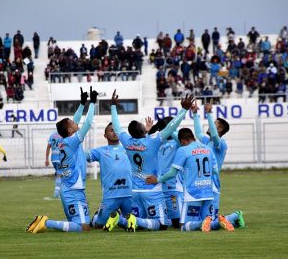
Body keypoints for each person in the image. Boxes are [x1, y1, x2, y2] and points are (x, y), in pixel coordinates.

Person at [110, 90, 194, 232]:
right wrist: (184, 110)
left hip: (135, 190)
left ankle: (121, 220)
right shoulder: (152, 142)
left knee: (141, 226)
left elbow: (117, 127)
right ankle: (130, 220)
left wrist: (113, 107)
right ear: (143, 130)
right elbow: (171, 127)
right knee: (162, 224)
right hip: (152, 188)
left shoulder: (126, 140)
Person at [27, 87, 98, 233]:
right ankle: (46, 222)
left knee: (78, 224)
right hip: (73, 190)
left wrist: (82, 103)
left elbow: (76, 120)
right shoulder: (72, 141)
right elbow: (88, 122)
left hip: (69, 189)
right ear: (71, 130)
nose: (75, 122)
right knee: (83, 228)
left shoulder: (67, 140)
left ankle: (45, 222)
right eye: (72, 123)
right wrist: (92, 103)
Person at [146, 127, 218, 232]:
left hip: (192, 194)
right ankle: (230, 218)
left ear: (183, 141)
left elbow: (172, 173)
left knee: (184, 226)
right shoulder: (208, 149)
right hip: (208, 192)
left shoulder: (183, 150)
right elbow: (215, 171)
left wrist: (157, 180)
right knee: (210, 224)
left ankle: (202, 223)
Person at [192, 103, 246, 230]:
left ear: (220, 129)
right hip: (202, 182)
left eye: (214, 124)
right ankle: (230, 218)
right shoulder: (207, 142)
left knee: (212, 222)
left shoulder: (220, 143)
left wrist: (209, 114)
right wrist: (195, 114)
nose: (210, 125)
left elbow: (215, 136)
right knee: (204, 220)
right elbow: (199, 133)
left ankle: (236, 215)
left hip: (213, 183)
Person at [87, 123, 133, 231]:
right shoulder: (100, 151)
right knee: (98, 225)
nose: (114, 132)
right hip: (110, 196)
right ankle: (97, 216)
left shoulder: (129, 148)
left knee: (134, 222)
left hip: (129, 194)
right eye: (111, 130)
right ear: (105, 135)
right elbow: (84, 156)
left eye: (116, 130)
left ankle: (117, 218)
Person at [46, 131, 62, 198]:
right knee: (60, 174)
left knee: (59, 174)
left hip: (53, 159)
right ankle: (57, 192)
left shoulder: (52, 135)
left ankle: (58, 191)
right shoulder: (63, 135)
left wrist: (46, 159)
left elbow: (48, 148)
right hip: (60, 158)